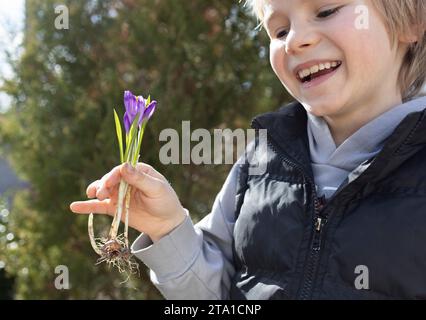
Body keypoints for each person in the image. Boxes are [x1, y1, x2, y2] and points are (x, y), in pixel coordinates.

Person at [70, 0, 426, 299]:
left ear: (411, 21)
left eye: (326, 10)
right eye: (280, 30)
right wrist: (168, 229)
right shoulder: (258, 162)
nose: (296, 41)